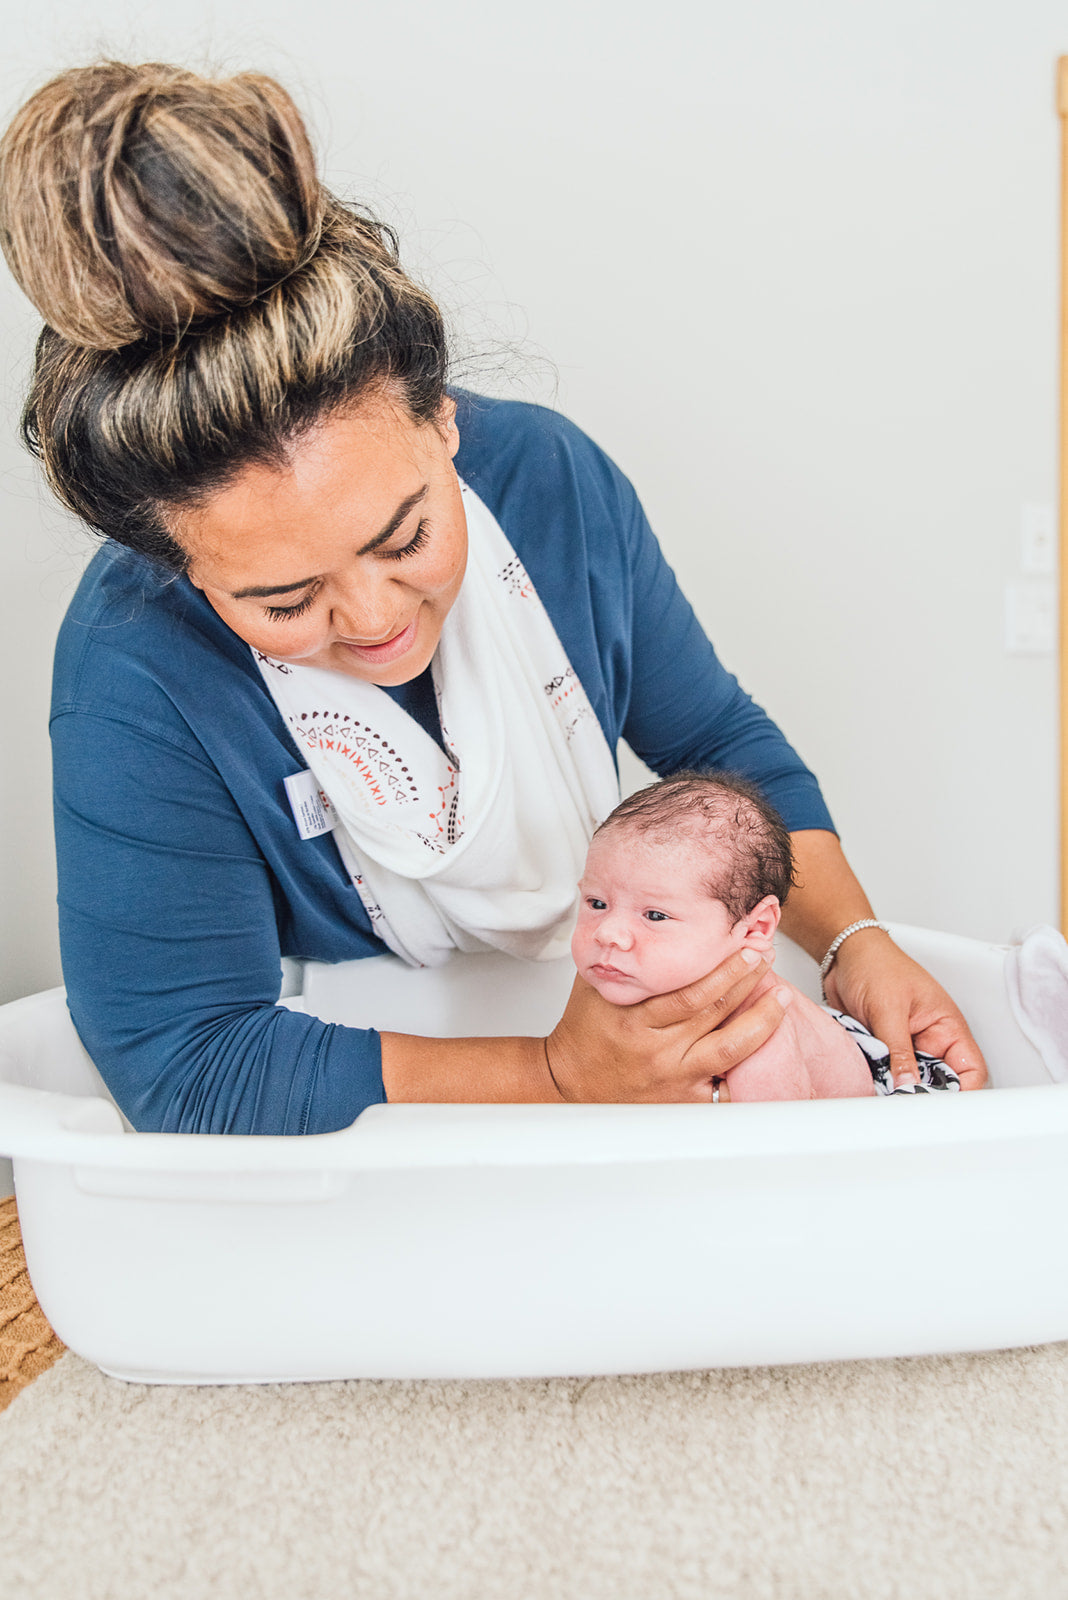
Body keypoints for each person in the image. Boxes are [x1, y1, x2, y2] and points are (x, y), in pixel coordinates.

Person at [0, 62, 987, 1135]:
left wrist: (854, 944)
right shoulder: (135, 663)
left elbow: (716, 745)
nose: (375, 620)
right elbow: (187, 1060)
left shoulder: (551, 484)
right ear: (177, 564)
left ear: (447, 424)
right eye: (286, 600)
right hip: (333, 1145)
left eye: (408, 535)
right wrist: (555, 1074)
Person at [572, 773, 961, 1101]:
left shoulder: (759, 1038)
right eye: (596, 903)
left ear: (755, 929)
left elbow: (778, 1161)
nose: (608, 933)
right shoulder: (627, 977)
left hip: (876, 1104)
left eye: (655, 915)